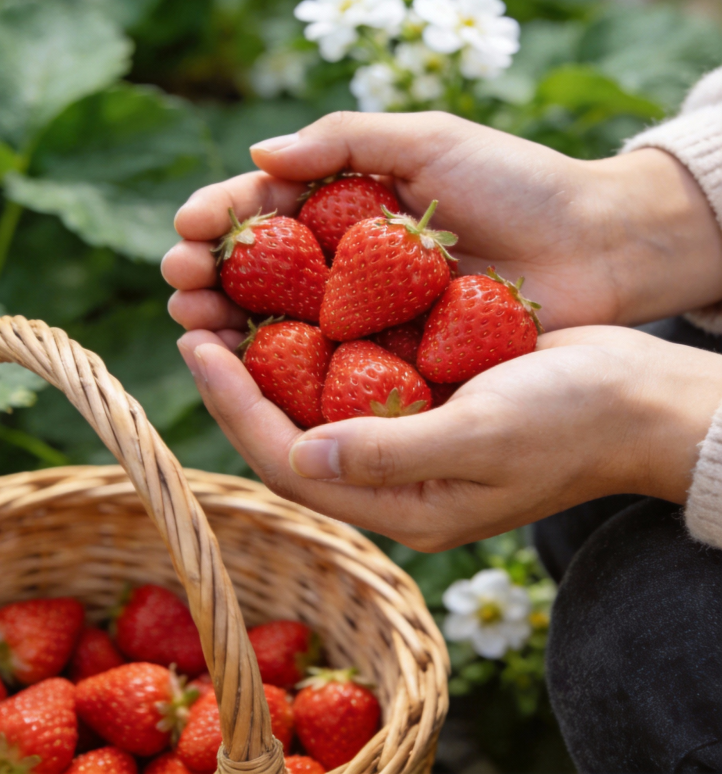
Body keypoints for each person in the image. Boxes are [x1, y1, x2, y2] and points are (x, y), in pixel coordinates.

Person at [162, 68, 722, 771]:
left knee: (644, 636)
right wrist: (632, 219)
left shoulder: (366, 306)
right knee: (587, 512)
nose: (333, 318)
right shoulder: (375, 304)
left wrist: (658, 420)